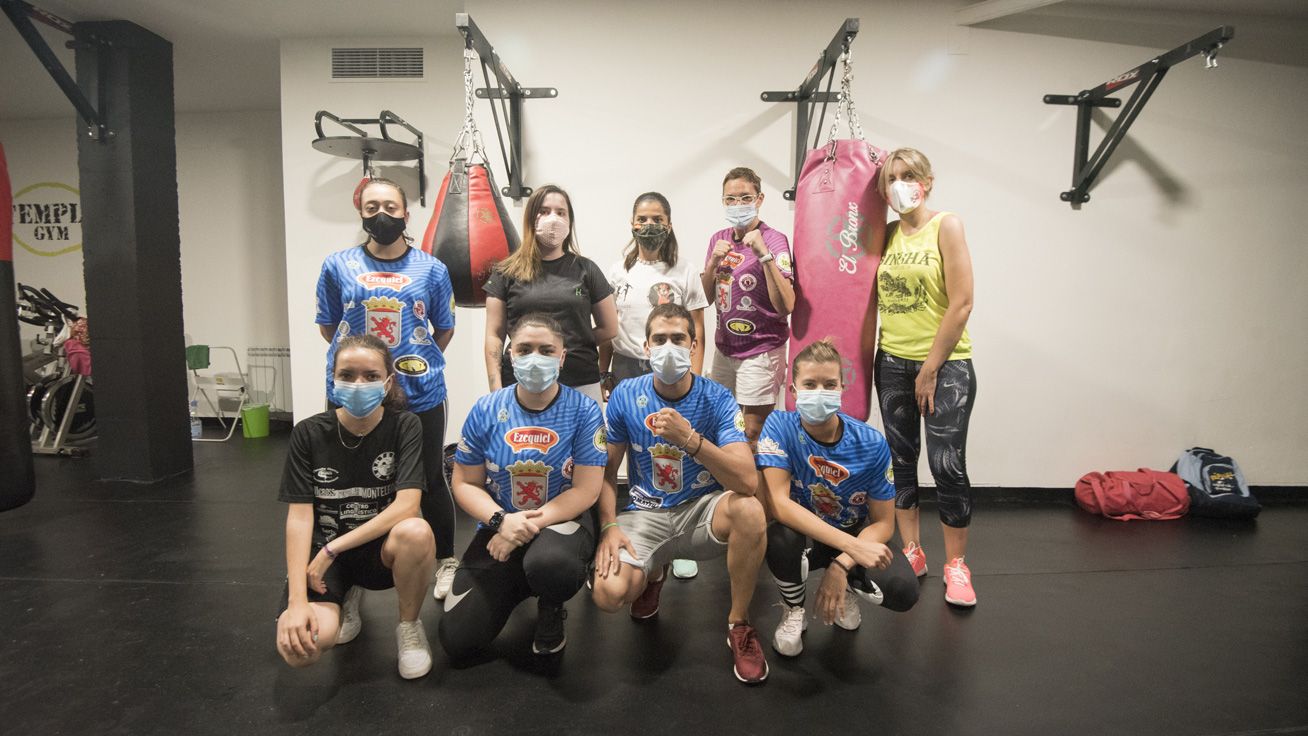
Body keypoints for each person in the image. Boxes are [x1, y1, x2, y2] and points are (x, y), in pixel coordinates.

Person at [591, 303, 770, 684]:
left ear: (693, 347)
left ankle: (739, 624)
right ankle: (653, 574)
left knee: (751, 511)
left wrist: (690, 440)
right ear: (645, 347)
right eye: (660, 339)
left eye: (678, 339)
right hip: (645, 514)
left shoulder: (717, 398)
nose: (668, 347)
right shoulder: (625, 395)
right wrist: (608, 525)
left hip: (701, 512)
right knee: (607, 595)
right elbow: (606, 472)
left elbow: (748, 481)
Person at [314, 177, 461, 605]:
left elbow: (443, 329)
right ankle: (351, 574)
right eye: (374, 206)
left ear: (405, 215)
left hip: (419, 390)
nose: (383, 214)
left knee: (430, 476)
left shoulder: (432, 268)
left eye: (392, 207)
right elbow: (329, 325)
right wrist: (361, 367)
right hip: (352, 393)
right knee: (351, 483)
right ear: (361, 212)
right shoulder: (337, 264)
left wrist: (410, 359)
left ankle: (446, 559)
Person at [439, 314, 606, 658]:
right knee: (458, 640)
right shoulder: (486, 409)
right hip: (501, 522)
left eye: (547, 351)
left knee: (551, 566)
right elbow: (464, 483)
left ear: (561, 358)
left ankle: (550, 603)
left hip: (561, 521)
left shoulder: (585, 411)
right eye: (525, 349)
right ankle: (516, 582)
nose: (535, 358)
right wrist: (503, 521)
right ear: (510, 355)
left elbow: (586, 491)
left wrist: (524, 525)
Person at [274, 334, 435, 679]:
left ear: (388, 381)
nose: (358, 384)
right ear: (333, 379)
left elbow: (408, 506)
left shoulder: (405, 425)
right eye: (347, 375)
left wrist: (333, 548)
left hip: (373, 551)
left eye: (371, 375)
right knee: (302, 650)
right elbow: (299, 519)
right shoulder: (308, 433)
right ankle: (344, 595)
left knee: (417, 531)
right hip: (322, 560)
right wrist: (297, 602)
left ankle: (409, 626)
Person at [757, 340, 919, 657]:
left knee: (902, 590)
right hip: (804, 532)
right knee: (778, 537)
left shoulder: (871, 443)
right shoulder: (779, 425)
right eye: (810, 384)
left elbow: (885, 523)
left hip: (851, 529)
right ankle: (793, 609)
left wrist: (843, 563)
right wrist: (853, 548)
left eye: (829, 384)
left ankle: (847, 587)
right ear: (793, 390)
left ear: (842, 388)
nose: (820, 391)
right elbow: (779, 503)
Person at [874, 148, 978, 607]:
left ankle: (956, 565)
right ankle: (912, 551)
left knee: (946, 465)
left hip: (946, 365)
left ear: (928, 182)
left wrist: (932, 367)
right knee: (901, 462)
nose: (899, 184)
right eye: (891, 177)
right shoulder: (887, 234)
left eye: (909, 175)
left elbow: (961, 303)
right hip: (892, 361)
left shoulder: (946, 225)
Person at [600, 191, 710, 581]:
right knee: (635, 447)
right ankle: (645, 529)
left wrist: (695, 379)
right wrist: (605, 372)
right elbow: (608, 331)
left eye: (657, 218)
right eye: (643, 218)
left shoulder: (684, 269)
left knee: (678, 445)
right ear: (632, 223)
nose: (650, 225)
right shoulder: (617, 272)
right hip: (630, 364)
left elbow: (697, 327)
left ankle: (681, 536)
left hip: (675, 367)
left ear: (669, 222)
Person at [483, 184, 619, 404]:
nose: (553, 218)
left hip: (580, 382)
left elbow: (610, 327)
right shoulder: (505, 272)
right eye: (544, 211)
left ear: (569, 220)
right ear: (531, 218)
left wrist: (571, 342)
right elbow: (494, 335)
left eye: (560, 212)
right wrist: (495, 387)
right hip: (521, 384)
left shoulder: (586, 269)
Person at [701, 167, 795, 449]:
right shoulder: (719, 239)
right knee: (719, 423)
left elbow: (786, 305)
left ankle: (754, 492)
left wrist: (764, 255)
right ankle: (727, 491)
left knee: (753, 432)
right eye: (730, 199)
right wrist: (711, 265)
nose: (737, 205)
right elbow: (705, 297)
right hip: (725, 349)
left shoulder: (775, 240)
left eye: (745, 197)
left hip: (761, 350)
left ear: (759, 199)